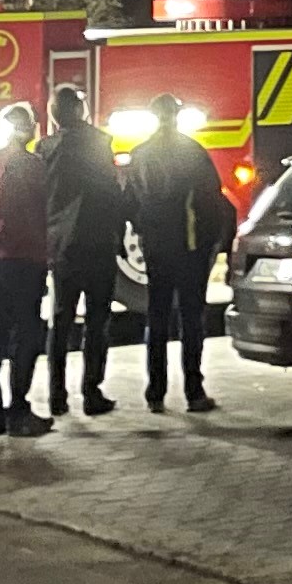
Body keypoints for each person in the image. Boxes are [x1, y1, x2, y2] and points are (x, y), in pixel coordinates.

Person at [127, 96, 233, 411]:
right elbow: (212, 201)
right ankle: (193, 392)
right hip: (189, 250)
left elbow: (130, 205)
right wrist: (212, 245)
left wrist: (146, 236)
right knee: (191, 321)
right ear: (176, 115)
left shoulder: (140, 155)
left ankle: (155, 393)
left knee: (156, 318)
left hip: (157, 251)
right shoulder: (192, 152)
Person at [38, 85, 126, 418]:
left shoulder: (44, 148)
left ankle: (56, 396)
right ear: (79, 110)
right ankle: (91, 392)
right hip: (97, 243)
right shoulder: (98, 143)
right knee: (96, 321)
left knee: (60, 320)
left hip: (61, 247)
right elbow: (111, 193)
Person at [0, 101, 52, 437]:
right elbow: (44, 210)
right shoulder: (33, 166)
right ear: (29, 129)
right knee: (25, 337)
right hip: (26, 259)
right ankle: (19, 411)